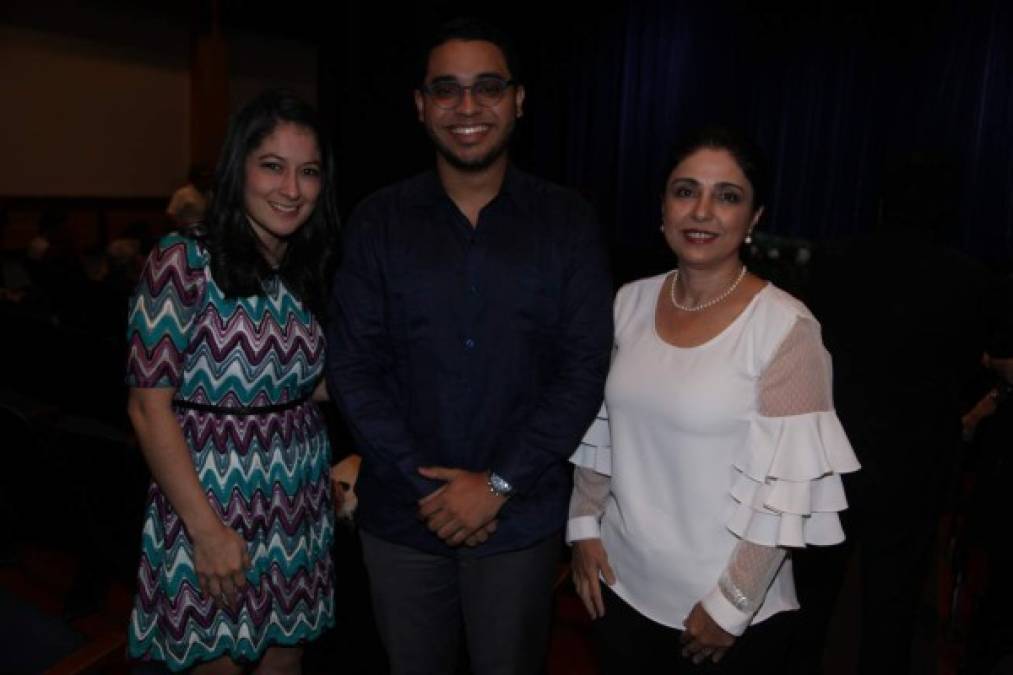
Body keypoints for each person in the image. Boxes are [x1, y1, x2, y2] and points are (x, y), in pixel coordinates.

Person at [326, 17, 613, 675]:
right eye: (446, 90)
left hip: (520, 521)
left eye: (486, 88)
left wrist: (499, 483)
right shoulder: (377, 221)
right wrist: (426, 485)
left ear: (517, 100)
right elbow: (351, 366)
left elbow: (582, 368)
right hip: (402, 518)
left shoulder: (567, 221)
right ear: (421, 106)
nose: (467, 107)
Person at [567, 126, 860, 674]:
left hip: (720, 615)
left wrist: (733, 605)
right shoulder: (628, 301)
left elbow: (787, 493)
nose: (702, 211)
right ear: (662, 208)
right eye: (685, 191)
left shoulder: (786, 328)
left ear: (753, 219)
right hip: (620, 587)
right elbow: (603, 423)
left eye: (727, 196)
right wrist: (584, 525)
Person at [125, 90, 339, 673]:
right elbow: (148, 408)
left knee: (283, 664)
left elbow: (309, 386)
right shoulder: (182, 259)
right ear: (237, 168)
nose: (291, 189)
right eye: (272, 166)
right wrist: (207, 530)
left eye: (309, 172)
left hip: (297, 498)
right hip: (209, 498)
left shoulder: (304, 267)